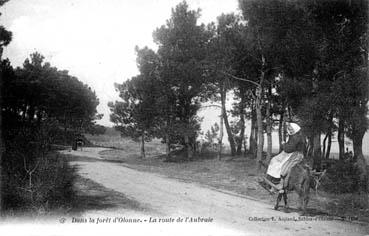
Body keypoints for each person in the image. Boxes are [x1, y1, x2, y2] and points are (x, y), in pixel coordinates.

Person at [266, 122, 306, 192]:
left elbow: (289, 149)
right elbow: (289, 146)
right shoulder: (295, 135)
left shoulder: (296, 137)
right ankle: (274, 182)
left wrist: (284, 144)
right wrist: (286, 145)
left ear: (295, 129)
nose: (290, 131)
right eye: (289, 129)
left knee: (282, 165)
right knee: (275, 161)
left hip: (295, 155)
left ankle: (280, 184)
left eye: (292, 129)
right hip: (292, 153)